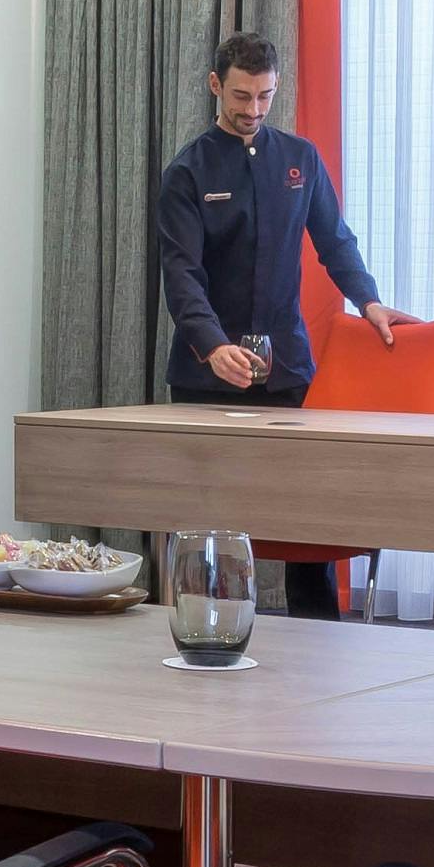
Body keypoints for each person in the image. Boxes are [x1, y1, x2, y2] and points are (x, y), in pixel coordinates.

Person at [154, 32, 397, 617]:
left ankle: (320, 640)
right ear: (216, 86)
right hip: (205, 378)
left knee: (302, 513)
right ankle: (197, 632)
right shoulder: (187, 172)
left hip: (286, 369)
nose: (252, 111)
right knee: (206, 521)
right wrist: (212, 347)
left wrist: (367, 300)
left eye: (264, 97)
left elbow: (334, 241)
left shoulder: (300, 160)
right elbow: (181, 275)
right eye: (241, 96)